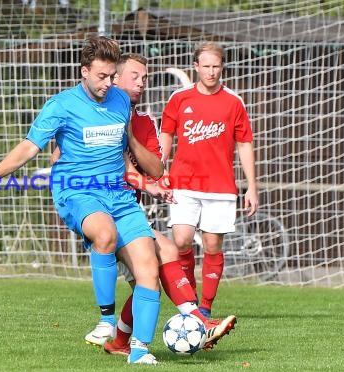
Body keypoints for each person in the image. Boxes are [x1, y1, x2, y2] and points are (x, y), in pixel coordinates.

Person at [0, 37, 161, 365]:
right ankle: (105, 321)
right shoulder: (60, 105)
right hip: (77, 192)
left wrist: (140, 179)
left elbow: (121, 148)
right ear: (84, 71)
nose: (107, 83)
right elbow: (29, 147)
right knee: (104, 234)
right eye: (101, 76)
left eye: (111, 76)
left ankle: (139, 351)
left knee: (149, 269)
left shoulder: (120, 101)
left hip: (118, 193)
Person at [62, 53, 236, 355]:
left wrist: (131, 141)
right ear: (114, 77)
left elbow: (155, 167)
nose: (141, 83)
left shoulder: (143, 122)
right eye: (135, 76)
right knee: (159, 261)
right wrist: (145, 185)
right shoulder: (87, 115)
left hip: (128, 212)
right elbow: (67, 164)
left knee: (153, 271)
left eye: (145, 78)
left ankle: (119, 341)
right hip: (99, 212)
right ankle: (195, 319)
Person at [160, 41, 259, 318]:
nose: (211, 72)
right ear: (196, 67)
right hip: (184, 182)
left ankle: (205, 305)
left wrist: (252, 186)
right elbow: (166, 133)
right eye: (206, 66)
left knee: (213, 245)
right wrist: (160, 168)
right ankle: (189, 301)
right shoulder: (180, 99)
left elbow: (245, 143)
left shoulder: (233, 102)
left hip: (220, 185)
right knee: (181, 240)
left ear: (222, 67)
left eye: (216, 66)